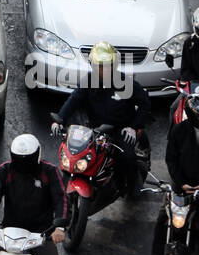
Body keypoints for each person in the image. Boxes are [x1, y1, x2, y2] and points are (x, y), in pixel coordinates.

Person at [51, 42, 149, 198]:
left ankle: (132, 187)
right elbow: (74, 100)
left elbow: (145, 104)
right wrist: (59, 119)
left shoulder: (126, 83)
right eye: (99, 66)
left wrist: (133, 126)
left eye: (107, 65)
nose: (103, 70)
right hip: (96, 130)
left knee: (127, 158)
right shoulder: (88, 81)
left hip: (120, 130)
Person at [139, 93, 199, 255]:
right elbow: (171, 159)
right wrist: (182, 183)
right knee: (163, 217)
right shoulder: (179, 131)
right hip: (181, 183)